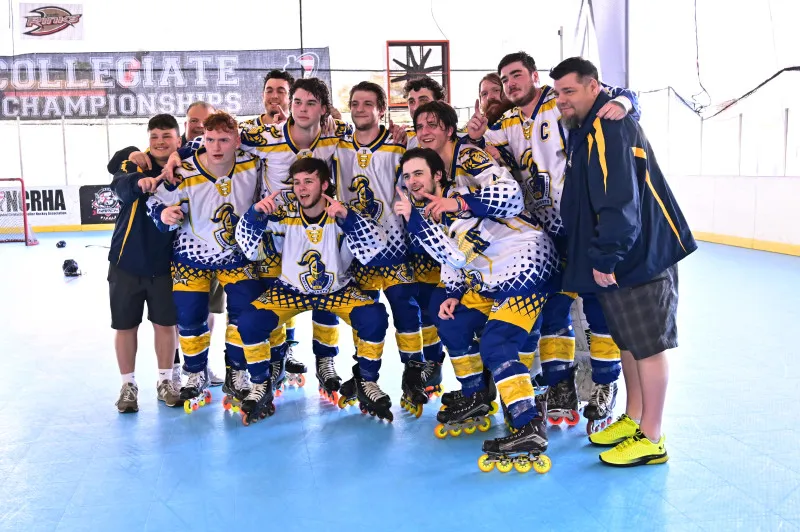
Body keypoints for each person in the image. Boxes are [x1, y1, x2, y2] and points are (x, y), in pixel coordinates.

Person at [466, 51, 639, 431]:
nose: (510, 84)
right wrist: (473, 137)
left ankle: (606, 384)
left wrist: (627, 103)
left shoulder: (559, 101)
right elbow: (470, 156)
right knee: (555, 312)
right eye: (504, 79)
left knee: (598, 308)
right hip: (544, 235)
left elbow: (623, 97)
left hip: (582, 226)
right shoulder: (507, 123)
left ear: (534, 75)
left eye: (516, 75)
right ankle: (560, 385)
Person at [551, 56, 696, 466]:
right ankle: (634, 418)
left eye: (569, 91)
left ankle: (652, 437)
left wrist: (607, 256)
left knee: (648, 347)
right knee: (629, 344)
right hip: (621, 258)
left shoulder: (608, 127)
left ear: (593, 87)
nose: (562, 100)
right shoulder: (587, 126)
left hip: (638, 257)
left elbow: (619, 200)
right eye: (558, 93)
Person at [395, 147, 557, 473]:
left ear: (437, 175)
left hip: (526, 269)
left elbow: (457, 253)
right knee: (450, 319)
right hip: (489, 280)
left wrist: (417, 220)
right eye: (407, 176)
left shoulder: (459, 198)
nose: (412, 181)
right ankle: (475, 396)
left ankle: (528, 422)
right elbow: (452, 258)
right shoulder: (434, 211)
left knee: (496, 343)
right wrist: (454, 293)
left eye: (419, 173)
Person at [235, 157, 392, 423]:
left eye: (309, 181)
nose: (302, 188)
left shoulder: (341, 213)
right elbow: (248, 247)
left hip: (337, 291)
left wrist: (348, 219)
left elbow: (375, 246)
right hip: (289, 290)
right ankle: (261, 383)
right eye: (297, 182)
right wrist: (255, 215)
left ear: (325, 184)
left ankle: (367, 381)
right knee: (250, 321)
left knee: (375, 316)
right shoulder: (285, 214)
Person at [146, 111, 266, 412]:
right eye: (210, 140)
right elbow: (152, 199)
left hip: (237, 255)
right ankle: (195, 374)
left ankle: (237, 372)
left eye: (224, 140)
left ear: (236, 141)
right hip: (190, 256)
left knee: (243, 316)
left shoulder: (253, 164)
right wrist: (163, 214)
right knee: (189, 318)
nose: (216, 147)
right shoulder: (183, 170)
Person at [108, 101, 225, 389]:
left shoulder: (203, 157)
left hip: (206, 252)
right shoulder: (141, 163)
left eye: (165, 137)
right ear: (185, 128)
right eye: (194, 121)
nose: (200, 127)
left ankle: (197, 366)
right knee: (146, 324)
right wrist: (137, 176)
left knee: (200, 314)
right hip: (147, 262)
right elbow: (119, 178)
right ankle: (163, 376)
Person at [332, 81, 431, 415]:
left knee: (406, 311)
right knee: (365, 317)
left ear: (382, 110)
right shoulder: (336, 145)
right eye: (355, 104)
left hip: (395, 248)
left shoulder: (399, 145)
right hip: (356, 250)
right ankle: (364, 374)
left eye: (367, 104)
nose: (360, 109)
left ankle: (414, 373)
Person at [108, 114, 183, 413]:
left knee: (166, 325)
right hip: (125, 261)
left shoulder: (186, 167)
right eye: (154, 136)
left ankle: (166, 381)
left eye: (166, 136)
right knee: (125, 326)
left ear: (178, 140)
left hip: (166, 265)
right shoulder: (135, 163)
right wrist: (139, 181)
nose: (160, 142)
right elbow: (119, 185)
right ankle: (128, 385)